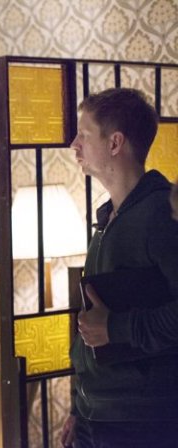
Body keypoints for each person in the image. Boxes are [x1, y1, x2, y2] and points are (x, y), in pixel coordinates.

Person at [59, 88, 178, 447]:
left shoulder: (162, 215)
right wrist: (79, 408)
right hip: (97, 417)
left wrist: (115, 327)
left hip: (143, 420)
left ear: (115, 143)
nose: (74, 144)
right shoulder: (107, 218)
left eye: (84, 134)